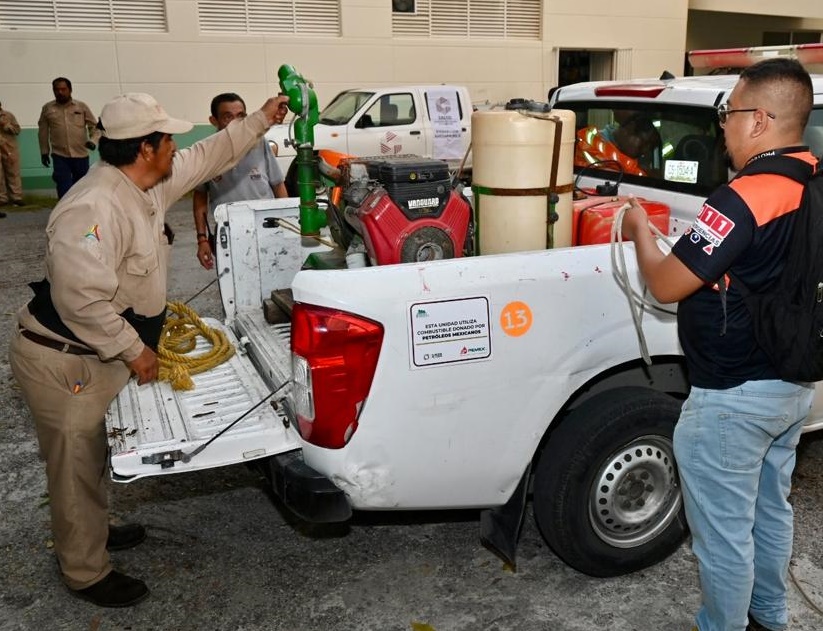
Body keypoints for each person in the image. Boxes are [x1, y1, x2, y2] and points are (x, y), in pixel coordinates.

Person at [9, 90, 289, 608]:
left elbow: (210, 156)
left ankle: (96, 527)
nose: (175, 149)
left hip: (96, 355)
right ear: (145, 148)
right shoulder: (92, 207)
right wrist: (135, 351)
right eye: (167, 141)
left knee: (96, 447)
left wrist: (260, 120)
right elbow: (80, 300)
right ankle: (85, 570)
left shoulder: (146, 186)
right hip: (65, 357)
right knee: (73, 462)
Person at [621, 58, 815, 631]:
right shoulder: (811, 180)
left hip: (732, 398)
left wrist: (637, 231)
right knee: (770, 513)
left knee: (725, 536)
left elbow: (665, 282)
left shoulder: (743, 197)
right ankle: (769, 617)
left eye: (728, 114)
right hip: (791, 386)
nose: (723, 127)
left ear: (758, 120)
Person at [193, 92, 288, 269]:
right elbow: (200, 197)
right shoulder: (207, 152)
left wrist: (288, 225)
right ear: (214, 120)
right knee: (235, 288)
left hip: (267, 227)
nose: (236, 122)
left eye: (241, 116)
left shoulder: (260, 144)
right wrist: (202, 239)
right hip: (229, 234)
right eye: (228, 117)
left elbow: (278, 185)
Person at [37, 77, 99, 199]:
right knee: (63, 185)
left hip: (80, 154)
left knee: (81, 185)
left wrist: (93, 141)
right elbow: (43, 131)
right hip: (60, 155)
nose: (60, 92)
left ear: (70, 90)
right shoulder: (47, 108)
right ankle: (64, 212)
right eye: (56, 89)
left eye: (63, 89)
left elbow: (94, 127)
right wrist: (44, 152)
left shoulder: (81, 106)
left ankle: (81, 210)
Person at [575, 114, 661, 176]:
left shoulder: (624, 156)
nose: (644, 152)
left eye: (648, 149)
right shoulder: (592, 143)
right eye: (643, 144)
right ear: (630, 128)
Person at [0, 100, 24, 213]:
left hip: (10, 148)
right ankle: (2, 199)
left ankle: (17, 198)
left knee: (13, 172)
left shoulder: (8, 115)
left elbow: (17, 130)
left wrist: (6, 126)